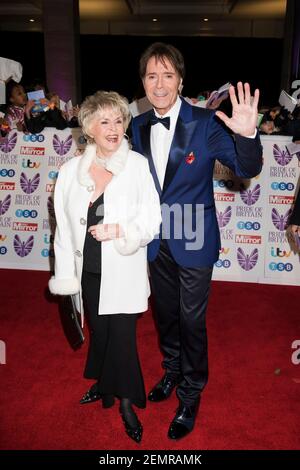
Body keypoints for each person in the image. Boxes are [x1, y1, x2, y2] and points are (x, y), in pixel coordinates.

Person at [131, 42, 263, 440]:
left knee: (191, 318)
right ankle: (171, 371)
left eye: (167, 75)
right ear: (143, 82)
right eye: (152, 76)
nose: (159, 84)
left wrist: (248, 134)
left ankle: (191, 392)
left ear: (181, 81)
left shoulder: (206, 122)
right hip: (156, 238)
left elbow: (247, 166)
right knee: (166, 315)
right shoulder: (137, 126)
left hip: (195, 236)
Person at [48, 90, 161, 443]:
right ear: (89, 129)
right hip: (87, 273)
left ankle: (127, 400)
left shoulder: (138, 165)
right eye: (104, 121)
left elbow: (152, 219)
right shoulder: (69, 173)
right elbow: (64, 230)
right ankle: (103, 386)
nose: (113, 128)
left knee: (123, 337)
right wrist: (66, 277)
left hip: (124, 269)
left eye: (118, 120)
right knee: (100, 331)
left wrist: (120, 231)